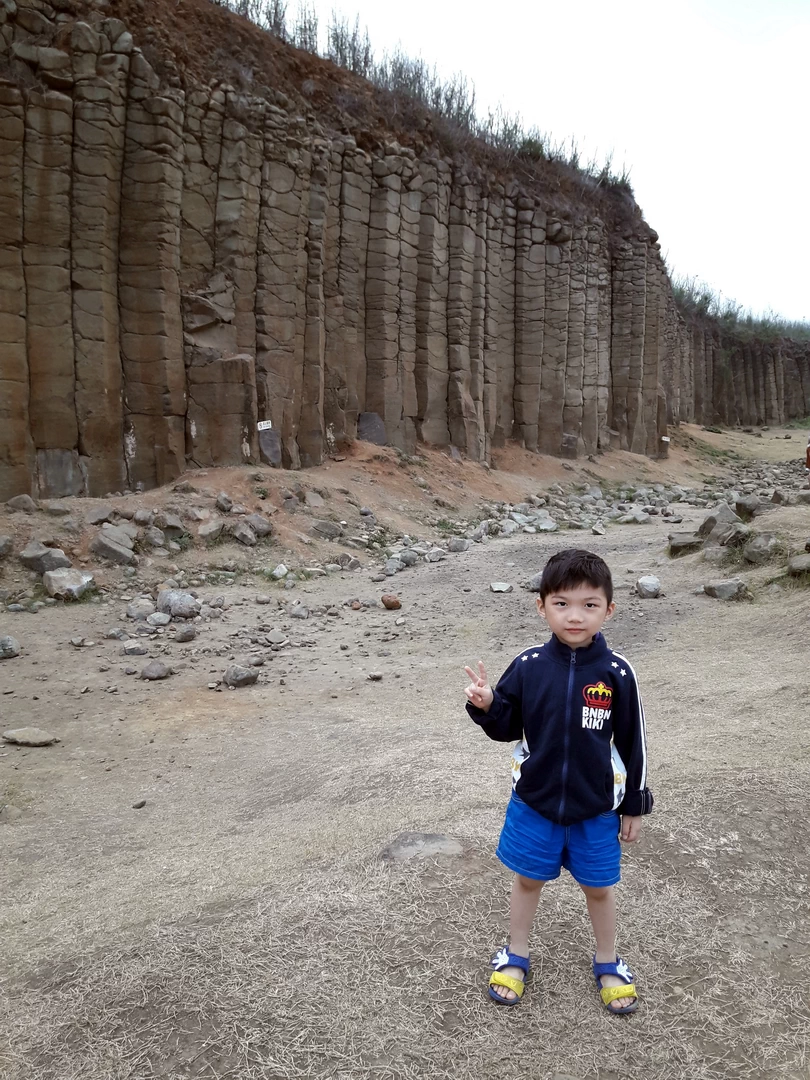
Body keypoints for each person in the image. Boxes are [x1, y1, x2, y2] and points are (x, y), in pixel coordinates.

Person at [464, 548, 653, 1013]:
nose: (575, 616)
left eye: (590, 605)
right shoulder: (529, 665)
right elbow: (508, 725)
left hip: (596, 809)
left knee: (599, 888)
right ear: (542, 606)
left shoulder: (617, 672)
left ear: (609, 609)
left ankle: (607, 960)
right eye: (562, 603)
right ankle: (516, 954)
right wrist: (488, 705)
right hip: (536, 803)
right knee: (528, 880)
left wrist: (634, 802)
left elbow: (634, 742)